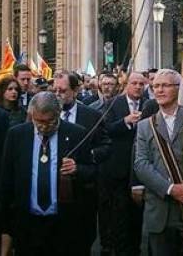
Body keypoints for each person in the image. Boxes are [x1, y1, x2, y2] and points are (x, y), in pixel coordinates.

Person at [0, 92, 96, 256]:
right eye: (39, 122)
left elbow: (93, 172)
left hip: (65, 225)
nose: (44, 127)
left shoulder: (77, 134)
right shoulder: (17, 135)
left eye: (49, 122)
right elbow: (6, 179)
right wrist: (6, 226)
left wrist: (78, 169)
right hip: (28, 225)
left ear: (58, 114)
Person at [133, 69, 183, 255]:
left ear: (178, 88)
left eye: (165, 85)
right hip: (160, 210)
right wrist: (170, 189)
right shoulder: (145, 125)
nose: (159, 90)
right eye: (156, 86)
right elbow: (141, 164)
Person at [54, 71, 112, 255]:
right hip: (51, 194)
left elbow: (106, 147)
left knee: (79, 243)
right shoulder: (44, 113)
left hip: (82, 192)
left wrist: (86, 158)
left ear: (76, 90)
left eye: (62, 90)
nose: (58, 94)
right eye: (54, 90)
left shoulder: (92, 116)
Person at [100, 72, 154, 255]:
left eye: (141, 83)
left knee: (137, 216)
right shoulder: (114, 103)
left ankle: (135, 248)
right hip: (119, 169)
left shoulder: (150, 105)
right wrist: (125, 121)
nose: (138, 87)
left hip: (142, 168)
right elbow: (105, 129)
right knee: (119, 215)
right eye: (134, 83)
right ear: (126, 84)